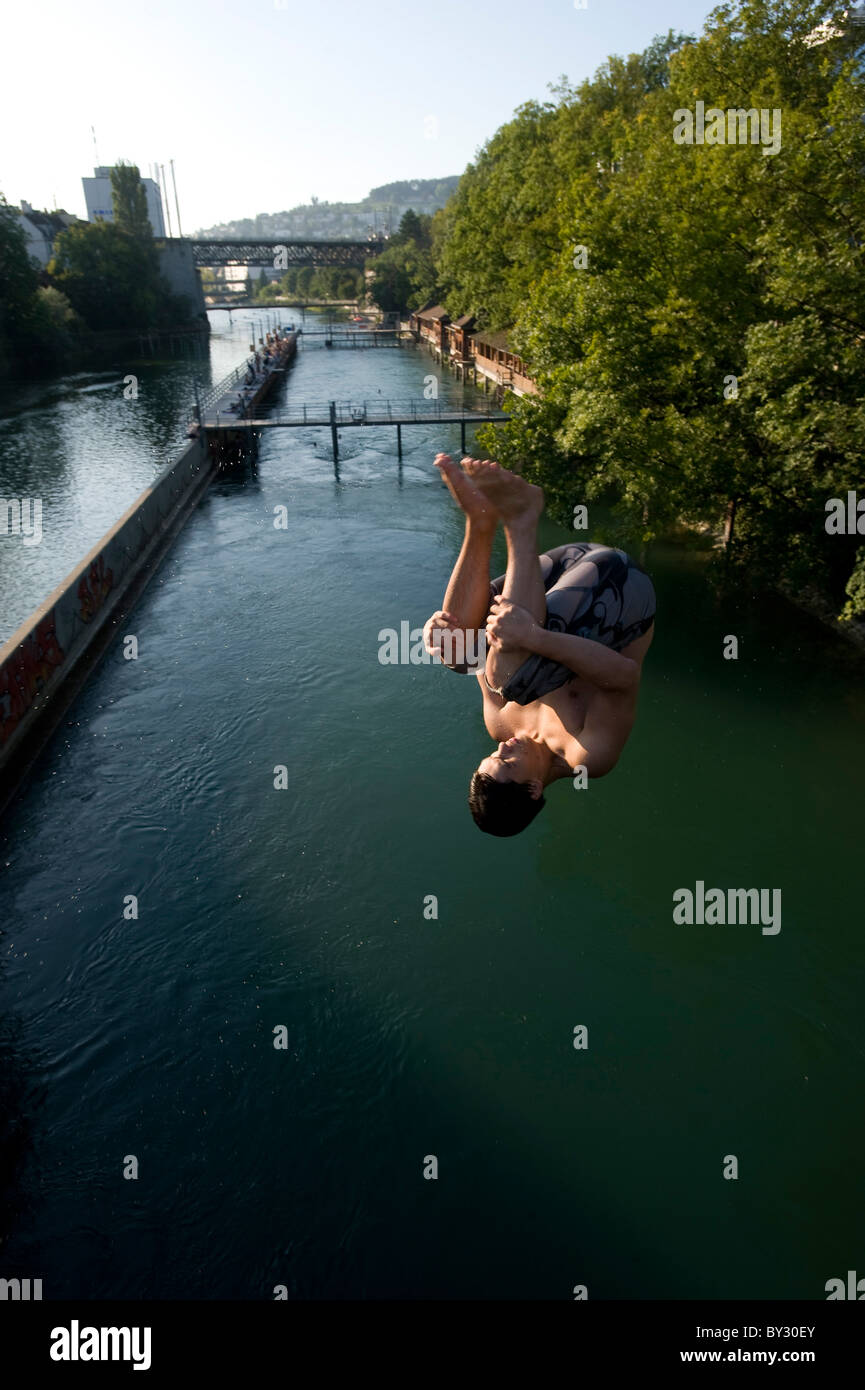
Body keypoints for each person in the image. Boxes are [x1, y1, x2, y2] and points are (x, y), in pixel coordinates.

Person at [423, 456, 656, 837]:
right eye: (508, 763)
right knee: (510, 675)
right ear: (534, 790)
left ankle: (480, 522)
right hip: (622, 589)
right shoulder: (587, 755)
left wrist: (440, 638)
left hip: (565, 566)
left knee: (458, 651)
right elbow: (625, 676)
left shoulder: (500, 725)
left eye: (492, 756)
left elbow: (480, 647)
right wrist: (535, 638)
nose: (503, 748)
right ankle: (520, 520)